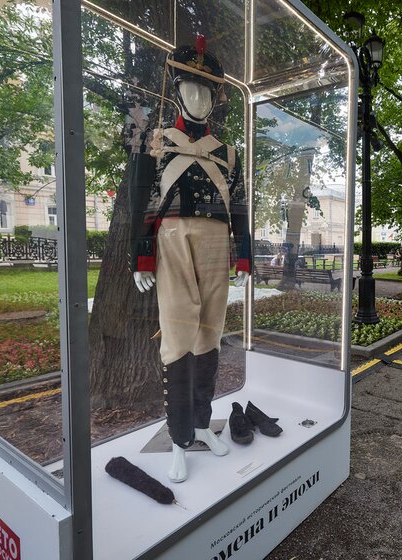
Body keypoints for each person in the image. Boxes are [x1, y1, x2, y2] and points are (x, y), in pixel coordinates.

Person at [131, 38, 250, 482]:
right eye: (191, 87)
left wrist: (245, 257)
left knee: (210, 336)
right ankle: (180, 438)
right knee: (179, 338)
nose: (199, 98)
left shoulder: (228, 153)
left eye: (207, 91)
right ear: (177, 89)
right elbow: (140, 204)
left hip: (218, 241)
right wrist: (142, 259)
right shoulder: (156, 142)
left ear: (216, 100)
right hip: (174, 240)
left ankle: (203, 423)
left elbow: (239, 208)